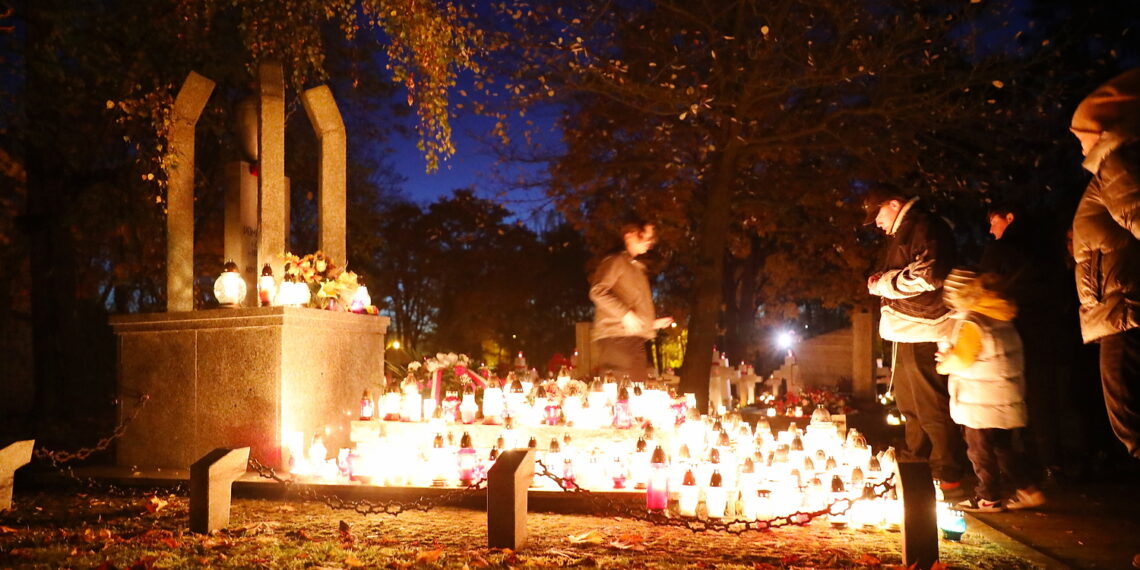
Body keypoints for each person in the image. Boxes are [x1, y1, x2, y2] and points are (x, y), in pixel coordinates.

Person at [863, 183, 969, 498]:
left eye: (878, 214)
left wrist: (884, 284)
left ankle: (944, 473)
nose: (877, 223)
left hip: (927, 327)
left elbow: (929, 274)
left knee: (930, 404)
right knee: (910, 405)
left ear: (894, 204)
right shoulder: (906, 231)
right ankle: (916, 467)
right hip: (909, 329)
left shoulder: (924, 226)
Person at [1069, 67, 1140, 460]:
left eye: (1080, 134)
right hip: (1119, 308)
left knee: (1131, 421)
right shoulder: (1116, 165)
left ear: (1100, 130)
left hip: (1124, 310)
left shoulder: (1117, 161)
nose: (1077, 144)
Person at [979, 204, 1076, 480]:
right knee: (1043, 398)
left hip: (1010, 332)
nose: (990, 229)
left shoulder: (998, 251)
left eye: (993, 221)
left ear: (1010, 217)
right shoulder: (1047, 249)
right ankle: (1051, 462)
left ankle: (1013, 464)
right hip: (1046, 333)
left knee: (1007, 398)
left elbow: (984, 290)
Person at [936, 270, 1046, 512]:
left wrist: (944, 361)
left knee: (979, 451)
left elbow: (963, 359)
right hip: (1005, 396)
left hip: (980, 398)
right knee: (1003, 448)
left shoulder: (974, 321)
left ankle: (988, 497)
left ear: (960, 296)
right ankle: (1028, 489)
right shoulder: (1000, 315)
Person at [589, 217, 673, 382]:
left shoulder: (636, 268)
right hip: (616, 337)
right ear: (630, 234)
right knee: (619, 391)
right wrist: (625, 314)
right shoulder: (616, 261)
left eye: (652, 239)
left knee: (636, 391)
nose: (650, 241)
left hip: (634, 338)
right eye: (646, 236)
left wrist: (651, 324)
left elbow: (632, 308)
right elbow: (597, 291)